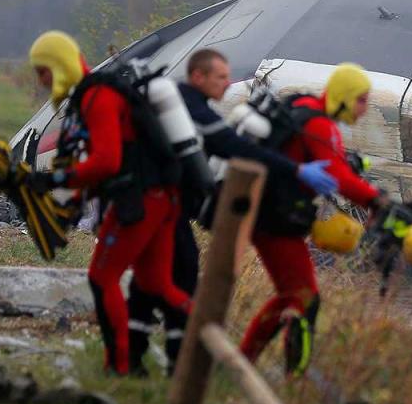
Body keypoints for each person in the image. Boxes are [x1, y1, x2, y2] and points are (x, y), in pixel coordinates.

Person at [125, 48, 338, 374]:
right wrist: (295, 170)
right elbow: (232, 145)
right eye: (221, 76)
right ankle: (178, 363)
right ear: (199, 76)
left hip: (159, 204)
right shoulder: (189, 107)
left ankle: (135, 355)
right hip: (164, 207)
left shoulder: (183, 104)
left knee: (151, 277)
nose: (228, 83)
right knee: (182, 276)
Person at [27, 30, 191, 377]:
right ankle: (205, 340)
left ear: (59, 66)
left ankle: (119, 365)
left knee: (102, 277)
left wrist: (55, 180)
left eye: (43, 71)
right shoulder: (96, 93)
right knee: (158, 283)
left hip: (142, 200)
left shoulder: (97, 97)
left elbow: (106, 161)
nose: (40, 80)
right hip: (162, 197)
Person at [239, 62, 381, 375]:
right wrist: (377, 201)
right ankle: (286, 375)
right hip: (275, 221)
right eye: (361, 100)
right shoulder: (320, 124)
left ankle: (242, 361)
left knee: (295, 296)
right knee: (304, 299)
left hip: (269, 215)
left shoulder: (304, 107)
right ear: (343, 96)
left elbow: (328, 162)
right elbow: (339, 177)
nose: (364, 109)